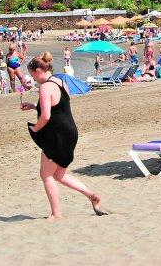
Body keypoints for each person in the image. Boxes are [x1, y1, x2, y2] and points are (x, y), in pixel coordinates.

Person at [22, 52, 105, 220]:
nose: (34, 79)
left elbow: (46, 116)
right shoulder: (60, 81)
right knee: (59, 175)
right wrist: (34, 106)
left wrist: (35, 129)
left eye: (33, 75)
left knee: (46, 175)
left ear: (39, 70)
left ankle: (56, 214)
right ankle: (91, 195)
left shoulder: (45, 87)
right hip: (70, 132)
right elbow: (59, 106)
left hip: (57, 136)